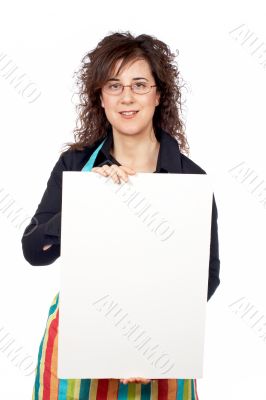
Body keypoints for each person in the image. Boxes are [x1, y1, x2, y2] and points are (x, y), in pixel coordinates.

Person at [21, 31, 220, 400]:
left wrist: (148, 342)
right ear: (101, 96)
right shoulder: (76, 165)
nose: (127, 97)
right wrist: (88, 201)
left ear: (159, 95)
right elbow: (33, 251)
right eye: (114, 85)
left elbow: (206, 278)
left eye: (139, 85)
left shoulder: (190, 179)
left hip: (161, 354)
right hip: (78, 347)